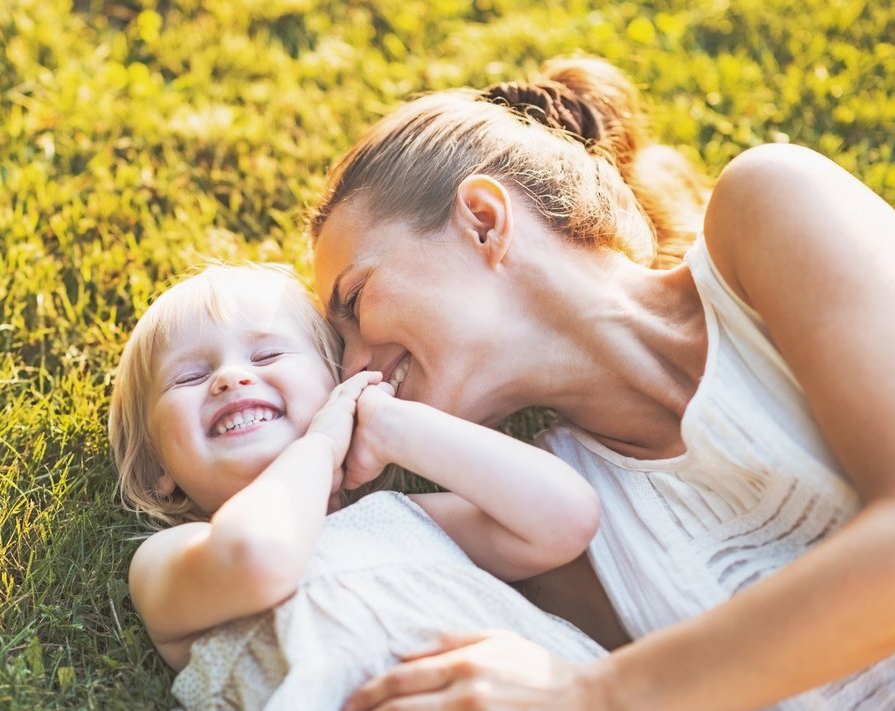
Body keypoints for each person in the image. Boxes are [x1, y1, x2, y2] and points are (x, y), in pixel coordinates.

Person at [309, 55, 895, 710]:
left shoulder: (773, 207)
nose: (356, 364)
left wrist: (602, 693)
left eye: (355, 301)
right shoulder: (556, 536)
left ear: (482, 219)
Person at [107, 263, 610, 709]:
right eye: (189, 377)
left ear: (336, 387)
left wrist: (394, 426)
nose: (231, 377)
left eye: (267, 356)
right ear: (158, 471)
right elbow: (257, 557)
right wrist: (321, 446)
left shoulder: (403, 517)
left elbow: (566, 518)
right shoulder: (171, 556)